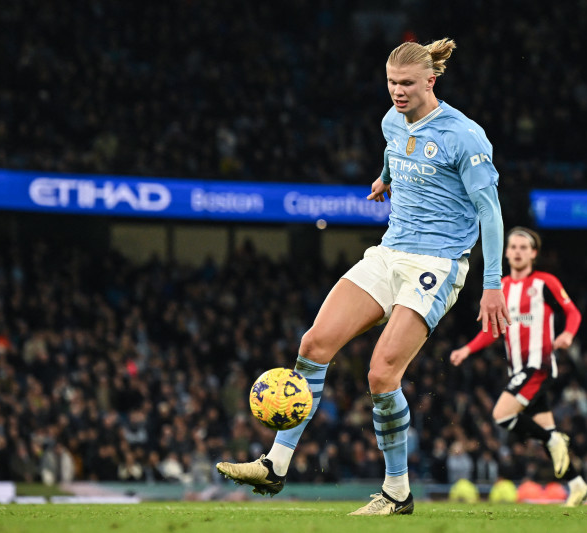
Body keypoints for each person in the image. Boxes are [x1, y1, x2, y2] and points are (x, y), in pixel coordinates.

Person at [217, 38, 511, 516]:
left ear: (431, 81)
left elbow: (491, 213)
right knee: (313, 345)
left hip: (435, 263)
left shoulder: (465, 136)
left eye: (407, 84)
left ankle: (397, 492)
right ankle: (276, 464)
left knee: (380, 374)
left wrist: (493, 283)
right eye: (392, 82)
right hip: (389, 251)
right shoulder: (391, 119)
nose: (397, 91)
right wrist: (384, 177)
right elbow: (396, 151)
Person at [449, 226, 587, 506]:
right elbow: (493, 330)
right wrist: (467, 349)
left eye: (523, 247)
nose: (517, 251)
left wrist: (567, 335)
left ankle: (554, 440)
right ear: (505, 252)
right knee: (544, 430)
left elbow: (573, 312)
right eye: (513, 247)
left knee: (502, 414)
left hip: (538, 365)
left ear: (534, 253)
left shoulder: (545, 282)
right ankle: (578, 486)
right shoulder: (500, 288)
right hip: (517, 370)